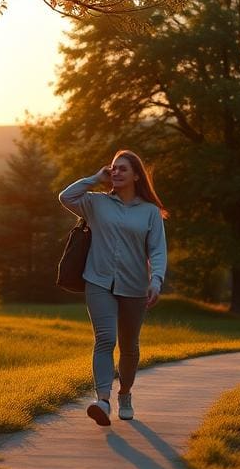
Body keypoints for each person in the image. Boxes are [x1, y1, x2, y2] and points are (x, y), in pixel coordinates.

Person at [58, 149, 167, 426]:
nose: (116, 172)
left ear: (136, 175)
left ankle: (125, 394)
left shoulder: (150, 212)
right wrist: (95, 178)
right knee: (105, 339)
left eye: (123, 169)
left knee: (129, 347)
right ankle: (103, 401)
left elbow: (157, 250)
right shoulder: (96, 203)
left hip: (134, 285)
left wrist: (156, 280)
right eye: (114, 168)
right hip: (98, 280)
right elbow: (66, 197)